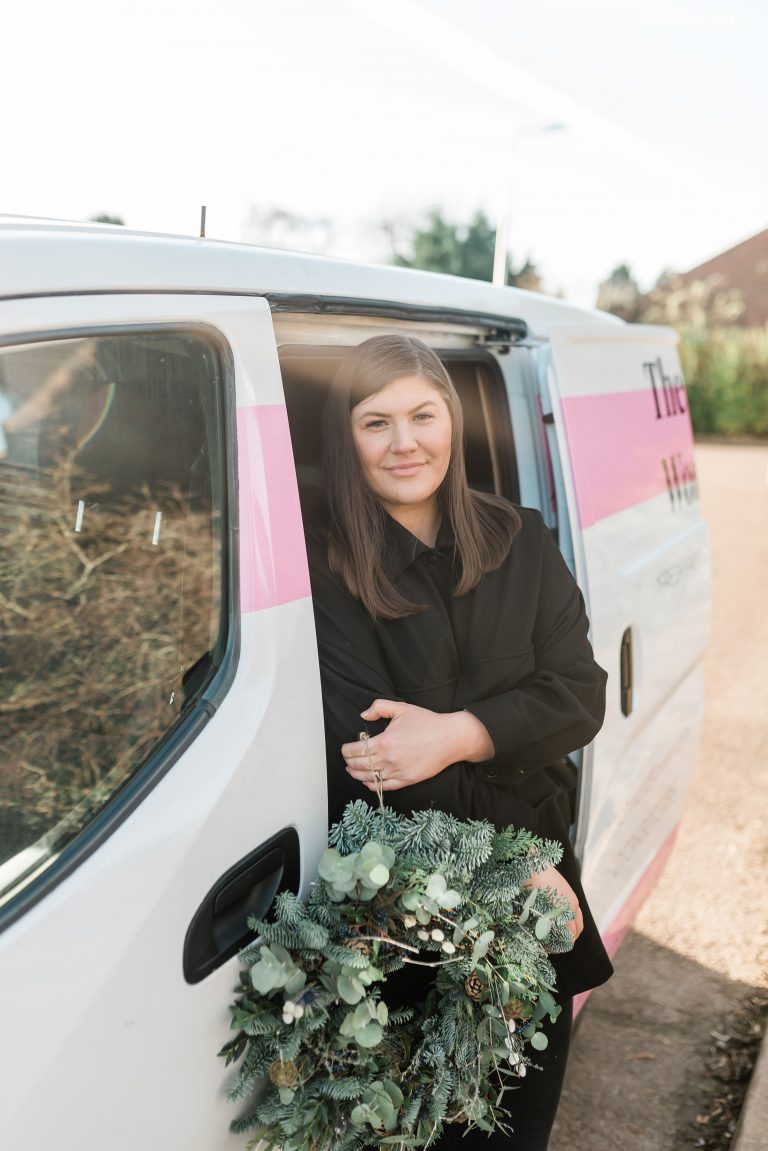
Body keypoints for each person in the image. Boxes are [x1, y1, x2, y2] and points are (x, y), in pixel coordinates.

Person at [304, 333, 614, 1150]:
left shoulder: (526, 540)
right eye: (376, 423)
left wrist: (456, 733)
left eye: (422, 414)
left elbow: (579, 698)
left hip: (535, 893)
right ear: (347, 439)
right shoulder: (326, 570)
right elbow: (376, 760)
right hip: (408, 910)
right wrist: (510, 848)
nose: (405, 442)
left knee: (518, 1127)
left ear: (454, 422)